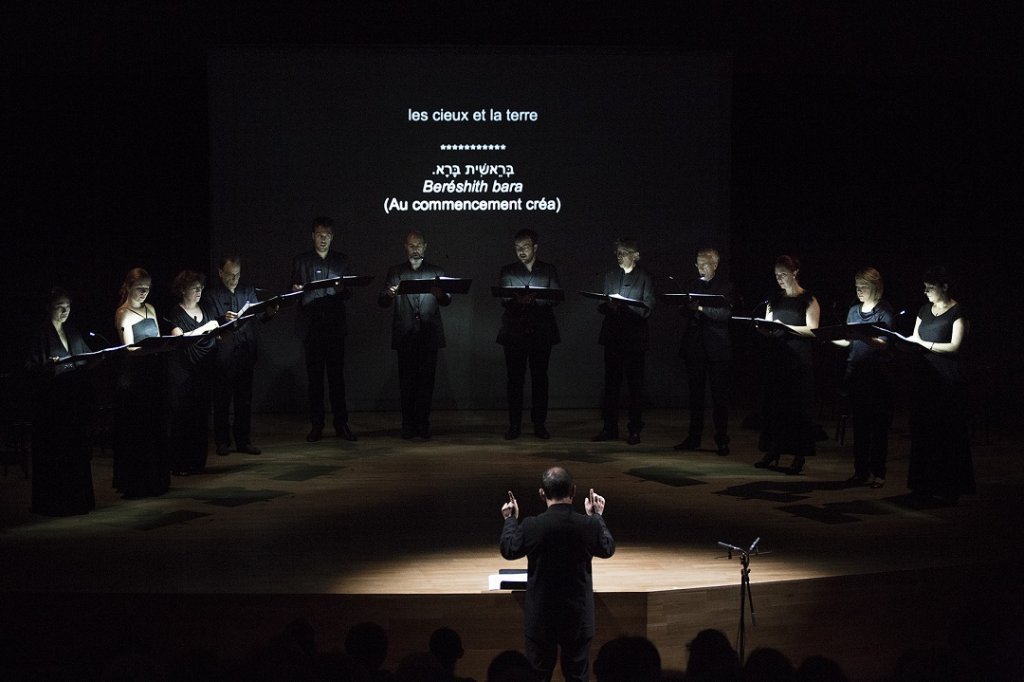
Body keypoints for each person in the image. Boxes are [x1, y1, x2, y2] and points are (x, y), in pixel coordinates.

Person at [500, 466, 615, 682]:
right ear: (573, 491)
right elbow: (607, 548)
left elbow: (509, 549)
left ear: (542, 494)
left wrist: (510, 519)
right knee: (577, 677)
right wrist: (597, 516)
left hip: (542, 618)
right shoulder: (587, 525)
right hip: (577, 618)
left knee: (537, 677)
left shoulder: (532, 525)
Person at [905, 266, 973, 504]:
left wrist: (927, 345)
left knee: (947, 433)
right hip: (925, 379)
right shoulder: (924, 310)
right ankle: (922, 485)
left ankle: (949, 487)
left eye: (930, 288)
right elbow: (915, 337)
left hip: (947, 381)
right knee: (924, 433)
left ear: (944, 287)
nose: (926, 292)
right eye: (925, 288)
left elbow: (955, 346)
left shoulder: (958, 311)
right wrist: (912, 344)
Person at [26, 287, 95, 516]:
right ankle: (55, 503)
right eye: (60, 306)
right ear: (48, 308)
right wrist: (48, 365)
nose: (65, 311)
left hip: (72, 401)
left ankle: (77, 501)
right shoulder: (39, 333)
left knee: (75, 451)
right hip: (52, 406)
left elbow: (83, 357)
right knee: (56, 454)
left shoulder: (72, 330)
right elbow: (29, 368)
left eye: (68, 306)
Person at [378, 230, 452, 439]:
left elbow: (448, 300)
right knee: (407, 383)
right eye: (411, 245)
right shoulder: (396, 271)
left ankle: (423, 424)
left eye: (418, 245)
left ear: (425, 246)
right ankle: (408, 425)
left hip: (429, 336)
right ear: (405, 247)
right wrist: (389, 294)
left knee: (426, 384)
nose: (415, 249)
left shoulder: (436, 271)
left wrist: (442, 294)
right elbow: (382, 301)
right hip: (406, 336)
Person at [291, 216, 356, 442]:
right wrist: (296, 291)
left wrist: (341, 290)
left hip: (335, 326)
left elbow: (349, 294)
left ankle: (341, 424)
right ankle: (317, 425)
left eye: (327, 235)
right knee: (315, 380)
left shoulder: (341, 260)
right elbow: (294, 295)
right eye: (320, 235)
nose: (323, 239)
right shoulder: (301, 261)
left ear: (332, 237)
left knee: (337, 379)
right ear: (312, 236)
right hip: (312, 328)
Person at [755, 255, 820, 474]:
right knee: (774, 407)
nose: (779, 279)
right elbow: (769, 324)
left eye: (783, 275)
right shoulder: (775, 299)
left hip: (798, 359)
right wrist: (765, 330)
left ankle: (798, 455)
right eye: (776, 276)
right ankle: (773, 451)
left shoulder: (808, 299)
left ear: (795, 272)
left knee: (797, 408)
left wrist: (787, 327)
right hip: (777, 357)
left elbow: (813, 330)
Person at [830, 267, 894, 488]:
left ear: (875, 288)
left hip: (877, 376)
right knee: (860, 427)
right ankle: (860, 471)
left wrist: (862, 337)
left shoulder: (884, 311)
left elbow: (884, 344)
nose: (859, 291)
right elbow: (848, 342)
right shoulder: (853, 310)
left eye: (863, 287)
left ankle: (879, 472)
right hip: (856, 374)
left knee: (878, 427)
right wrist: (829, 339)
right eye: (857, 287)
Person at [496, 229, 561, 440]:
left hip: (541, 332)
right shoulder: (507, 270)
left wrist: (535, 300)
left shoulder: (548, 269)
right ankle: (514, 425)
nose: (521, 251)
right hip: (514, 332)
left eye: (525, 247)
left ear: (535, 247)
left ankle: (539, 425)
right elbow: (504, 297)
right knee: (514, 380)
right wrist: (519, 301)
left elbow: (556, 296)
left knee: (540, 379)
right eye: (517, 248)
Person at [202, 255, 269, 455]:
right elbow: (208, 323)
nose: (234, 279)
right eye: (230, 275)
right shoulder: (211, 295)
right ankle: (222, 441)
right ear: (220, 273)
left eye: (238, 275)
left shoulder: (246, 290)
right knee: (222, 400)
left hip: (245, 352)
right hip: (223, 355)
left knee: (244, 400)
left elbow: (259, 315)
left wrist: (270, 311)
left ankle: (243, 440)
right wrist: (224, 319)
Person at [592, 238, 655, 445]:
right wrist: (608, 306)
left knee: (634, 387)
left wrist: (625, 307)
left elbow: (647, 308)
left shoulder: (644, 277)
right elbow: (602, 302)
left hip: (634, 339)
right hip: (612, 337)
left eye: (624, 252)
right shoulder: (611, 275)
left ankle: (634, 429)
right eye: (617, 252)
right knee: (611, 385)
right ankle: (609, 428)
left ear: (635, 255)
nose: (619, 256)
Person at [113, 267, 168, 498]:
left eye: (147, 289)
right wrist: (154, 348)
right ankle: (136, 484)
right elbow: (129, 349)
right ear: (128, 287)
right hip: (135, 379)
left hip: (153, 375)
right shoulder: (123, 313)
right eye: (139, 289)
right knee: (138, 431)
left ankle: (155, 481)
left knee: (155, 428)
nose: (144, 293)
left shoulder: (151, 309)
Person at [675, 247, 735, 455]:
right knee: (695, 396)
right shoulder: (692, 285)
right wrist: (685, 306)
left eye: (705, 264)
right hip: (695, 347)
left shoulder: (725, 286)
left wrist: (700, 309)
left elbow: (724, 314)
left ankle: (722, 439)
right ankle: (694, 437)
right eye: (698, 264)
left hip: (717, 347)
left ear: (715, 265)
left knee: (719, 397)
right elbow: (683, 310)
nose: (700, 268)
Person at [165, 270, 219, 476]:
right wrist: (206, 328)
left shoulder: (206, 308)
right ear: (182, 290)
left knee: (200, 418)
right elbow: (181, 339)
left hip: (203, 371)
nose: (199, 291)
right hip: (183, 373)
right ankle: (180, 463)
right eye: (194, 288)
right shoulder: (176, 313)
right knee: (183, 418)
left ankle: (197, 463)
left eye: (201, 287)